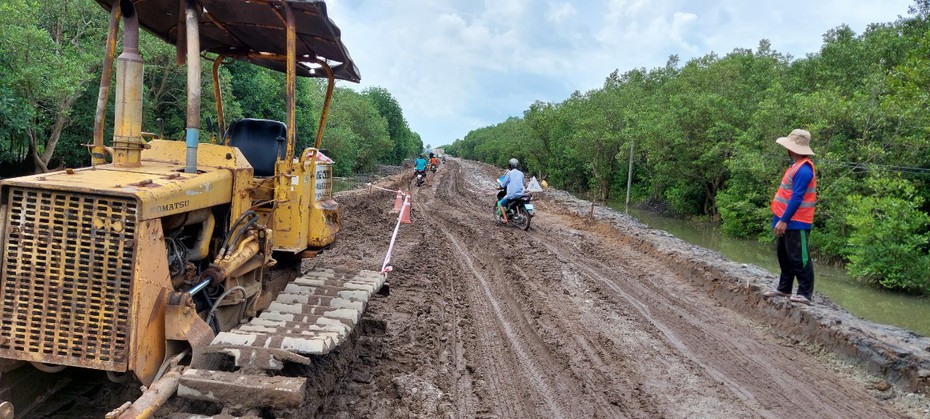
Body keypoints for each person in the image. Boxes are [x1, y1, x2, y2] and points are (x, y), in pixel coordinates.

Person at [764, 129, 817, 305]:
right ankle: (784, 288)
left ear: (792, 149)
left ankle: (805, 292)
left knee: (799, 257)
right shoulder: (795, 166)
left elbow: (797, 198)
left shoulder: (804, 170)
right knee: (784, 255)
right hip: (783, 217)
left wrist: (784, 220)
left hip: (797, 221)